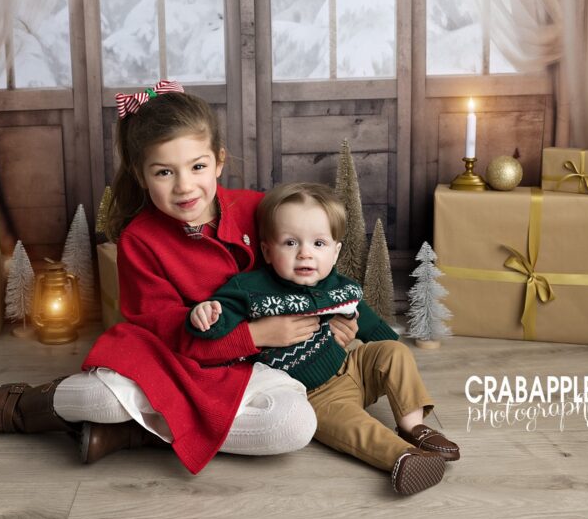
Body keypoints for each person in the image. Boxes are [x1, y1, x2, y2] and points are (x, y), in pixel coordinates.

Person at [0, 82, 359, 474]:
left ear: (219, 161)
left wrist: (339, 320)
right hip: (175, 356)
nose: (185, 187)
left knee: (292, 426)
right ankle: (19, 407)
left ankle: (135, 433)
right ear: (142, 176)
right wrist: (256, 334)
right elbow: (166, 329)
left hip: (252, 368)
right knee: (97, 397)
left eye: (197, 166)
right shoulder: (140, 240)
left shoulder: (258, 209)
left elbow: (314, 267)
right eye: (164, 173)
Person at [188, 182, 460, 494]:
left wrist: (395, 361)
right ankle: (402, 456)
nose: (305, 253)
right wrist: (206, 315)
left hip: (353, 366)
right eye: (290, 243)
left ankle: (414, 426)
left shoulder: (340, 287)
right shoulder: (252, 289)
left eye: (318, 244)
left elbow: (370, 323)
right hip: (317, 394)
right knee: (354, 426)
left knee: (392, 353)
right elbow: (220, 320)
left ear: (335, 251)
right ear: (266, 249)